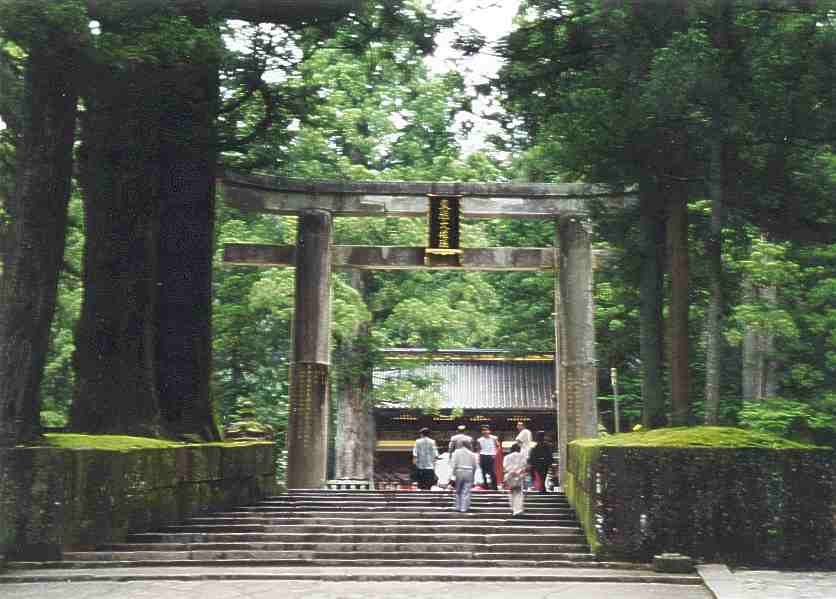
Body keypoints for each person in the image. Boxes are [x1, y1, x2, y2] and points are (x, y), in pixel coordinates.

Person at [450, 438, 478, 512]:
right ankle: (464, 508)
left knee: (458, 490)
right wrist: (473, 475)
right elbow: (475, 466)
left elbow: (453, 464)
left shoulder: (456, 452)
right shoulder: (472, 454)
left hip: (459, 471)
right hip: (469, 471)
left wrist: (452, 475)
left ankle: (457, 507)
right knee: (466, 491)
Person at [502, 443, 528, 516]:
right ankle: (518, 509)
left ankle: (513, 507)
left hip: (510, 476)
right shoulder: (522, 456)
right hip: (519, 476)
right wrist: (518, 472)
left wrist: (511, 471)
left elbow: (505, 467)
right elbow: (524, 466)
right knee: (518, 492)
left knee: (511, 492)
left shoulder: (507, 457)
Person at [476, 426, 500, 490]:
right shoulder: (479, 440)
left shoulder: (494, 438)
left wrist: (495, 454)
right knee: (483, 471)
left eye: (486, 430)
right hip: (483, 455)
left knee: (492, 471)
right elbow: (478, 449)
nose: (485, 432)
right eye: (483, 430)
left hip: (491, 455)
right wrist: (478, 458)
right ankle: (485, 485)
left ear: (489, 431)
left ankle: (494, 486)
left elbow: (498, 446)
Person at [515, 420, 533, 490]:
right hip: (528, 452)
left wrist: (521, 446)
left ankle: (525, 486)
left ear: (522, 426)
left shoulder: (524, 431)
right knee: (527, 470)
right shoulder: (528, 431)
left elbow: (517, 440)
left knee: (523, 470)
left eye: (518, 425)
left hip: (524, 453)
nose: (517, 427)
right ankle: (529, 485)